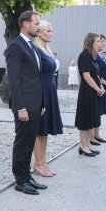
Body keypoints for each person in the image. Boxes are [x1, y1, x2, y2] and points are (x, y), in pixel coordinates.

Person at [5, 10, 47, 195]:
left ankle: (27, 176)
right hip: (24, 106)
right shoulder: (16, 47)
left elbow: (35, 77)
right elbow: (14, 80)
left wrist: (42, 103)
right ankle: (20, 181)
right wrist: (20, 107)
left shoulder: (31, 46)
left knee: (30, 142)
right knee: (22, 143)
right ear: (25, 24)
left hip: (35, 104)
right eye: (36, 23)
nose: (39, 27)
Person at [32, 20, 63, 177]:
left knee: (44, 130)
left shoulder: (45, 49)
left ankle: (43, 162)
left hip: (50, 91)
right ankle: (37, 163)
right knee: (38, 130)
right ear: (40, 32)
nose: (52, 33)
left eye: (51, 30)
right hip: (42, 92)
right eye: (48, 31)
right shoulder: (36, 50)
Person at [75, 32, 105, 157]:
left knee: (91, 119)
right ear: (91, 42)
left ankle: (88, 145)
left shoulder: (93, 56)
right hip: (87, 92)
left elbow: (95, 75)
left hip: (93, 92)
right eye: (97, 41)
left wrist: (101, 86)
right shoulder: (84, 55)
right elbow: (86, 76)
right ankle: (83, 146)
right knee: (84, 120)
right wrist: (98, 88)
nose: (100, 43)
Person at [94, 35, 106, 145]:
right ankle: (93, 135)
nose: (103, 43)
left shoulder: (100, 55)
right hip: (99, 85)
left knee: (99, 111)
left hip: (105, 84)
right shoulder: (95, 55)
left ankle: (96, 134)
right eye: (101, 41)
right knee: (96, 111)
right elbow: (96, 73)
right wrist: (105, 82)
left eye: (104, 41)